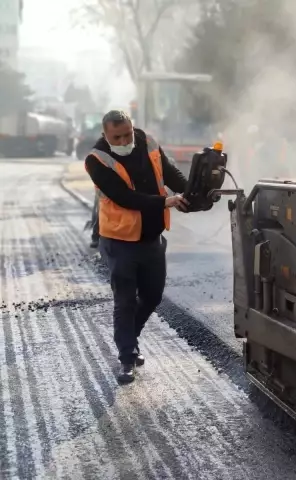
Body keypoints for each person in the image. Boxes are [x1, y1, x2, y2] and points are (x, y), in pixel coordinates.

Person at [85, 110, 189, 384]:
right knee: (126, 301)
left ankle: (131, 338)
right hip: (120, 243)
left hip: (151, 238)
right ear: (105, 135)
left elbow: (170, 174)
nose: (123, 140)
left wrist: (192, 193)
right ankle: (127, 358)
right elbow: (124, 197)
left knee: (153, 295)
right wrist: (165, 202)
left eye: (127, 134)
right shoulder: (96, 160)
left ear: (133, 127)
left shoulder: (148, 142)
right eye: (116, 137)